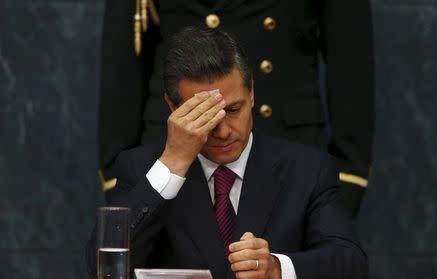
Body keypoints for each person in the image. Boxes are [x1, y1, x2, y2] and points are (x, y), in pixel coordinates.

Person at [87, 27, 367, 279]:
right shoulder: (140, 168)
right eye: (204, 116)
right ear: (173, 107)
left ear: (252, 93)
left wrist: (277, 268)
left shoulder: (307, 169)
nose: (222, 131)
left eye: (233, 110)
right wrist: (172, 163)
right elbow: (102, 268)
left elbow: (351, 262)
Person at [97, 0, 375, 218]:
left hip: (286, 143)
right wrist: (118, 174)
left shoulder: (307, 172)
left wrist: (348, 178)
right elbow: (123, 61)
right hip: (175, 147)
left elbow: (350, 63)